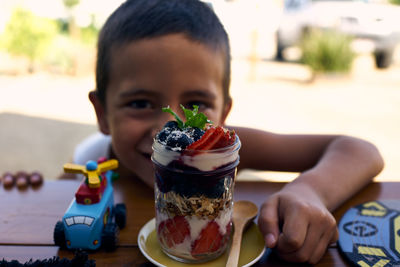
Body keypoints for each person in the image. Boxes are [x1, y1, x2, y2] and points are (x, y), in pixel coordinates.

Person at [71, 0, 384, 264]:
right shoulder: (91, 159)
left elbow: (360, 151)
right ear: (102, 113)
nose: (171, 128)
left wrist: (310, 190)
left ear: (223, 112)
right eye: (140, 103)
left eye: (196, 104)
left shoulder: (220, 148)